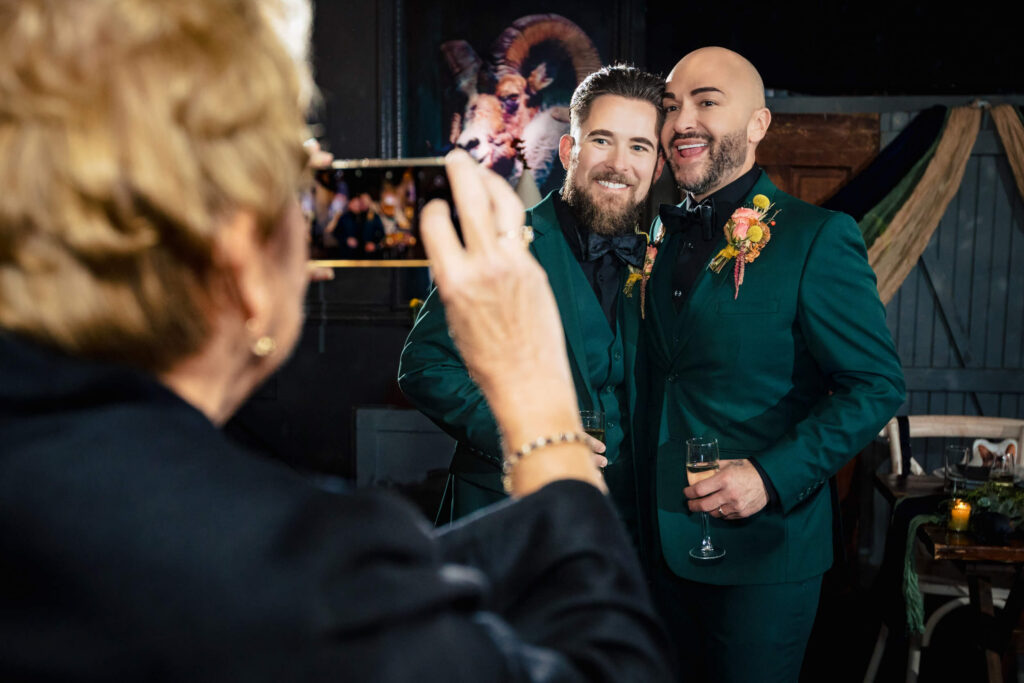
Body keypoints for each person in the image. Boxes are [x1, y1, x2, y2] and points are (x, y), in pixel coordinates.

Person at [0, 1, 674, 680]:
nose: (321, 178)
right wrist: (541, 417)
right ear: (243, 262)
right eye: (299, 167)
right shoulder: (320, 579)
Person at [640, 46, 905, 682]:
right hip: (652, 547)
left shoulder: (817, 237)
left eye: (707, 102)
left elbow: (874, 386)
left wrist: (769, 475)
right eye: (672, 106)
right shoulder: (653, 232)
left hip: (761, 557)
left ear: (759, 124)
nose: (682, 122)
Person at [398, 65, 666, 539]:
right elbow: (423, 365)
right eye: (602, 140)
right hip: (504, 513)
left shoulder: (660, 260)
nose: (619, 163)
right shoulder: (504, 242)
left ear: (657, 166)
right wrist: (523, 436)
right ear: (569, 151)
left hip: (625, 525)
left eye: (639, 146)